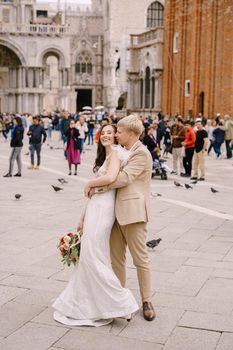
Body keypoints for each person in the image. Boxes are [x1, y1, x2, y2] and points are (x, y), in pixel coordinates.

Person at [53, 123, 139, 327]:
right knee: (89, 256)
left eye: (111, 133)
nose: (106, 136)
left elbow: (110, 178)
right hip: (95, 207)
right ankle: (91, 302)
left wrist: (88, 183)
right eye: (104, 133)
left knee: (94, 257)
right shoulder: (106, 156)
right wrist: (82, 217)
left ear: (116, 137)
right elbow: (96, 192)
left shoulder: (117, 154)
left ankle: (122, 301)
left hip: (104, 210)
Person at [89, 115, 155, 322]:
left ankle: (146, 300)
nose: (116, 134)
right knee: (117, 260)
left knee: (140, 259)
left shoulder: (141, 153)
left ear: (131, 134)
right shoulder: (122, 151)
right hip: (114, 212)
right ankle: (121, 301)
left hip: (133, 212)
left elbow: (125, 178)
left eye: (119, 131)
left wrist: (96, 185)